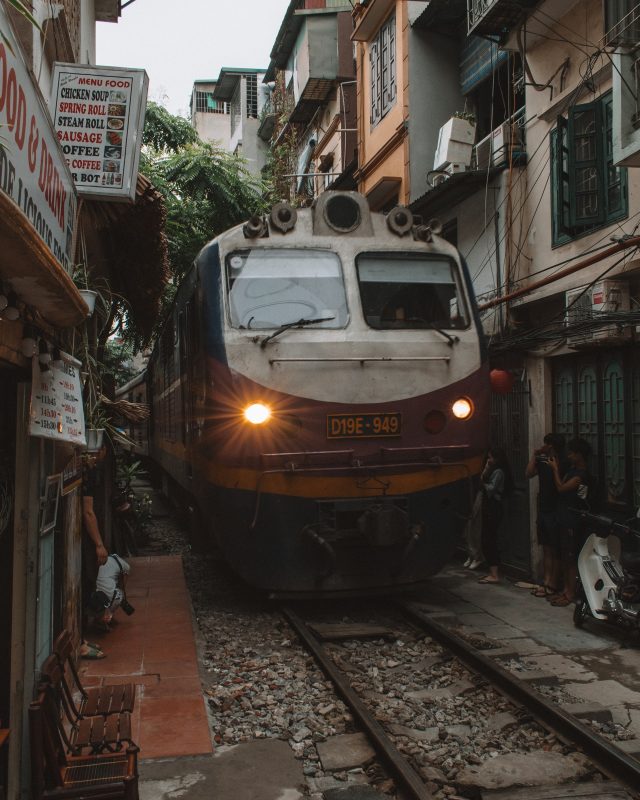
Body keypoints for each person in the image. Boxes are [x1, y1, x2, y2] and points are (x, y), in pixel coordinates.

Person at [547, 438, 592, 607]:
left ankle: (570, 593)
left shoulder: (581, 475)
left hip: (573, 519)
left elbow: (561, 488)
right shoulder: (573, 470)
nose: (570, 456)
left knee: (570, 557)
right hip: (564, 515)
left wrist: (555, 470)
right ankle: (566, 590)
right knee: (565, 556)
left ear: (579, 455)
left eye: (572, 453)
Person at [525, 433, 564, 598]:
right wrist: (534, 455)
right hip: (544, 508)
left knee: (555, 548)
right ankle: (546, 580)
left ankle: (553, 583)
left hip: (556, 509)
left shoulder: (561, 462)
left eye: (546, 444)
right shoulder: (542, 461)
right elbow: (528, 473)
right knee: (546, 547)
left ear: (551, 446)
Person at [81, 449, 109, 656]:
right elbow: (88, 512)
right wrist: (99, 543)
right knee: (87, 582)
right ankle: (81, 640)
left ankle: (82, 637)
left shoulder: (88, 472)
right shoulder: (89, 475)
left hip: (86, 539)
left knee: (88, 583)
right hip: (87, 541)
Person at [478, 447, 513, 584]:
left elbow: (491, 490)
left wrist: (484, 483)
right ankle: (492, 572)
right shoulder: (492, 469)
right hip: (489, 507)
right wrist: (486, 468)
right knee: (487, 538)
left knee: (489, 539)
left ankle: (494, 574)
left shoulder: (498, 472)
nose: (489, 460)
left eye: (491, 457)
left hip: (494, 507)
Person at [90, 553, 131, 632]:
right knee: (119, 595)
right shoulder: (123, 564)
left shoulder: (100, 561)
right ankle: (103, 620)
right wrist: (121, 587)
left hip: (96, 593)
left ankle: (100, 618)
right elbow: (127, 572)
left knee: (103, 597)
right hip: (109, 595)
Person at [463, 486, 484, 570]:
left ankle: (477, 556)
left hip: (478, 492)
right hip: (468, 492)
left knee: (475, 527)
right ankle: (471, 554)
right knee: (467, 529)